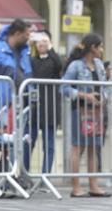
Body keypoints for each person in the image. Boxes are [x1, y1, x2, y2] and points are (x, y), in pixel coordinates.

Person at [62, 33, 110, 198]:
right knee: (78, 147)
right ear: (93, 48)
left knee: (93, 147)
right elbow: (64, 88)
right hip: (80, 111)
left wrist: (104, 99)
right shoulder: (76, 65)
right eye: (100, 46)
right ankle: (76, 187)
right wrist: (84, 95)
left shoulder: (99, 64)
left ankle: (94, 185)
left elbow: (104, 86)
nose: (102, 50)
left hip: (97, 111)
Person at [23, 30, 62, 173]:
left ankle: (45, 176)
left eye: (45, 41)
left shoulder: (54, 59)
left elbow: (59, 65)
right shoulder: (32, 60)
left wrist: (51, 48)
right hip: (34, 108)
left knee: (49, 145)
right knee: (28, 142)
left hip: (50, 108)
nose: (42, 44)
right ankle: (25, 174)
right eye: (40, 41)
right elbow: (25, 66)